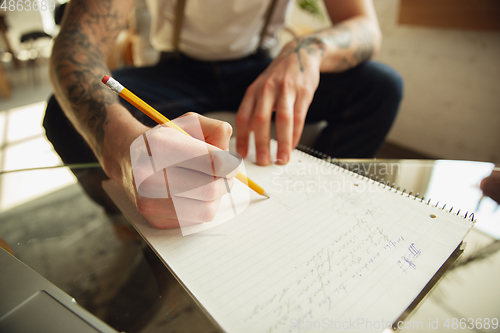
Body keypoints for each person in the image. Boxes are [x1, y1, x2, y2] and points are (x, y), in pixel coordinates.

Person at [43, 0, 403, 229]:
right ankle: (125, 219)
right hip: (177, 71)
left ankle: (323, 201)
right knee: (63, 113)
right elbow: (77, 41)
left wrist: (308, 49)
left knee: (380, 87)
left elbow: (364, 24)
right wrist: (121, 148)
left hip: (261, 66)